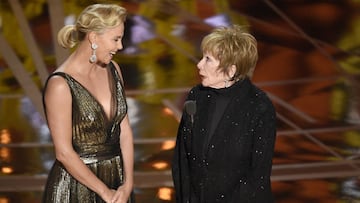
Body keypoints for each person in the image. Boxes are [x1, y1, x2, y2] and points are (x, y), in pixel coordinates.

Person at [172, 25, 277, 203]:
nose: (199, 65)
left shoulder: (260, 108)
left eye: (208, 60)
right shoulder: (196, 96)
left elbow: (258, 178)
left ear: (231, 71)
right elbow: (182, 159)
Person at [42, 4, 133, 203]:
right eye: (115, 39)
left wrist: (128, 185)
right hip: (76, 188)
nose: (120, 47)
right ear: (93, 38)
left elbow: (124, 130)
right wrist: (105, 193)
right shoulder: (60, 85)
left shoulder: (114, 70)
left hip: (117, 182)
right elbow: (64, 153)